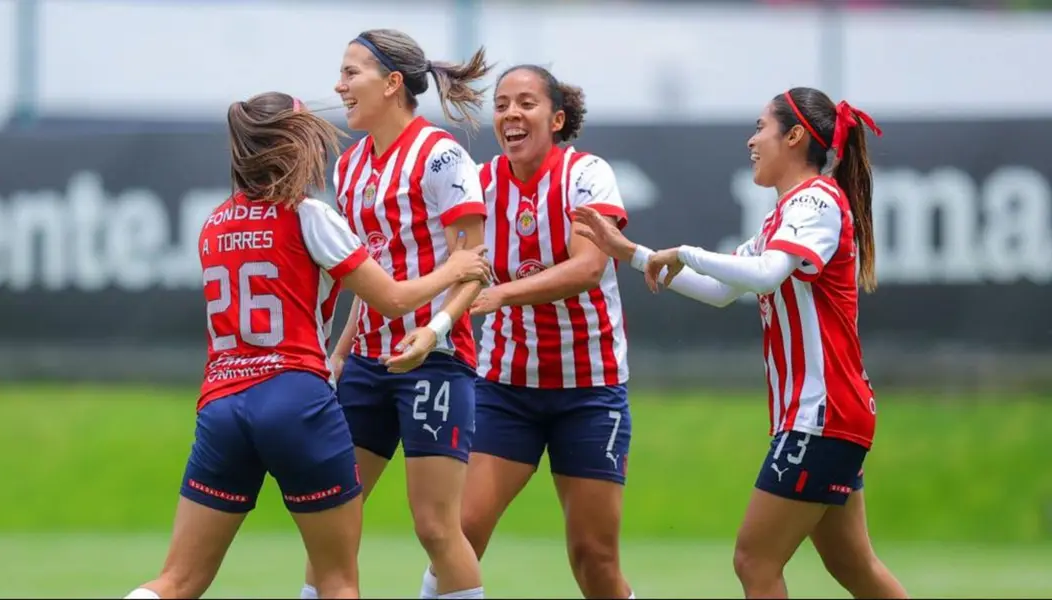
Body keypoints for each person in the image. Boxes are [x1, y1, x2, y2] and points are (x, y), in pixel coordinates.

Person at [123, 91, 491, 600]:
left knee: (178, 580)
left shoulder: (214, 225)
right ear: (293, 144)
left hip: (222, 404)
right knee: (339, 579)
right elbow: (390, 299)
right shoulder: (309, 216)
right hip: (296, 398)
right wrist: (453, 269)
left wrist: (341, 352)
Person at [573, 87, 909, 600]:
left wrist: (684, 251)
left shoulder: (816, 201)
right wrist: (635, 255)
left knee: (755, 560)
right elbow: (722, 290)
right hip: (828, 414)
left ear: (794, 136)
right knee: (852, 565)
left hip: (823, 416)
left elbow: (766, 275)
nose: (751, 141)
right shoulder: (783, 217)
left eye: (761, 128)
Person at [416, 65, 636, 600]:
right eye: (502, 104)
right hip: (504, 389)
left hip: (589, 391)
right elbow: (443, 260)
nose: (511, 114)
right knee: (459, 534)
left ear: (556, 118)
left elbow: (588, 267)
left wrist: (501, 294)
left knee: (594, 558)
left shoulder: (587, 174)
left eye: (526, 104)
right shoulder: (481, 182)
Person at [298, 28, 492, 600]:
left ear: (391, 83)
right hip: (367, 363)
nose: (339, 85)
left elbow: (472, 264)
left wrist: (432, 332)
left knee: (435, 526)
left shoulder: (442, 156)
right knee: (333, 521)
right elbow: (371, 277)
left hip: (437, 361)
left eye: (351, 72)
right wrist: (337, 355)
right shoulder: (351, 166)